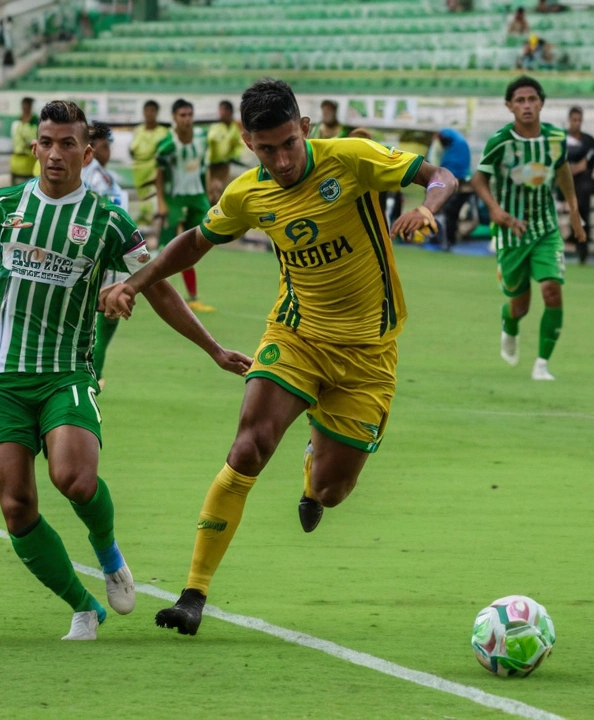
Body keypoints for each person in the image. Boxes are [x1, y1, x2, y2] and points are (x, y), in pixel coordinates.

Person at [102, 78, 458, 636]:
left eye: (289, 143)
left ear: (306, 129)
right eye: (266, 149)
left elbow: (442, 175)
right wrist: (134, 281)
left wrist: (426, 207)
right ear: (247, 141)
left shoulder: (352, 158)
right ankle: (192, 593)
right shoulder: (248, 193)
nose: (282, 159)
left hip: (368, 353)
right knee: (248, 445)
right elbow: (195, 241)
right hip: (296, 336)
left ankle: (314, 464)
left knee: (333, 492)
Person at [0, 101, 249, 640]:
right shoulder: (2, 208)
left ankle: (109, 555)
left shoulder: (106, 221)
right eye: (46, 143)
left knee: (74, 480)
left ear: (87, 151)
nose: (55, 153)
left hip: (65, 374)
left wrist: (213, 348)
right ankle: (83, 607)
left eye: (67, 144)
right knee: (16, 506)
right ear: (35, 148)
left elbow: (159, 288)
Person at [470, 76, 586, 382]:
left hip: (545, 229)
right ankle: (509, 324)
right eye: (519, 101)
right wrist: (495, 210)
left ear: (541, 103)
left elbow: (562, 169)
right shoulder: (500, 141)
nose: (526, 106)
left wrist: (573, 210)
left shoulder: (556, 139)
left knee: (552, 290)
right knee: (519, 306)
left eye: (532, 99)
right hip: (511, 233)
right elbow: (478, 179)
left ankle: (542, 364)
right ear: (509, 106)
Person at [81, 121, 130, 389]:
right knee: (104, 307)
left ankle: (93, 369)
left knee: (110, 307)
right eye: (105, 145)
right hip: (99, 251)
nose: (109, 150)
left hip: (111, 249)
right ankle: (90, 369)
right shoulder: (91, 176)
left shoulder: (100, 175)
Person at [155, 98, 214, 312]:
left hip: (197, 197)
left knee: (194, 244)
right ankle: (149, 287)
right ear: (174, 118)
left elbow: (203, 167)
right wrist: (161, 202)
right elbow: (159, 175)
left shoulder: (202, 139)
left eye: (190, 115)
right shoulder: (167, 146)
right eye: (182, 115)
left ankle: (191, 297)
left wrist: (208, 192)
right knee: (167, 247)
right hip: (175, 199)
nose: (187, 119)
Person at [565, 106, 594, 264]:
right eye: (574, 120)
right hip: (562, 183)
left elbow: (585, 164)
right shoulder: (560, 138)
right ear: (569, 120)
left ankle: (582, 246)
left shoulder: (588, 141)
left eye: (579, 120)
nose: (576, 123)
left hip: (581, 185)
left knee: (581, 209)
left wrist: (571, 170)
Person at [129, 100, 170, 223]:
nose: (149, 114)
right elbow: (132, 150)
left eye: (152, 111)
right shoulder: (138, 130)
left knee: (154, 204)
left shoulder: (163, 132)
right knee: (139, 203)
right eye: (147, 110)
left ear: (157, 112)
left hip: (154, 172)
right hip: (138, 172)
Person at [434, 128, 472, 249]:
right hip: (463, 184)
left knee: (448, 213)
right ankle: (451, 239)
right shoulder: (459, 144)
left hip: (455, 183)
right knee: (452, 214)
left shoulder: (453, 148)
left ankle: (447, 241)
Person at [206, 99, 243, 202]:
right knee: (212, 190)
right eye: (220, 110)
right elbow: (210, 140)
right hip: (212, 164)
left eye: (222, 110)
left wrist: (235, 155)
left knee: (221, 189)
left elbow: (237, 144)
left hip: (225, 164)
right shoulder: (216, 126)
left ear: (229, 112)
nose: (220, 113)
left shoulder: (234, 128)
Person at [10, 97, 38, 186]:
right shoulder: (16, 122)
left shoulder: (35, 122)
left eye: (29, 105)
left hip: (29, 164)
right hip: (16, 164)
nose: (26, 107)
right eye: (25, 105)